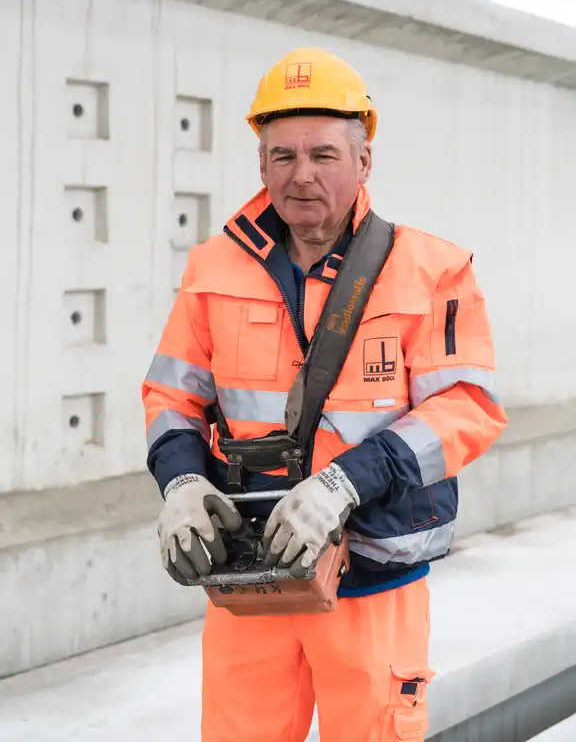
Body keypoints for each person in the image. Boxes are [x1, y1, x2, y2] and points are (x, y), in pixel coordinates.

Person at [142, 47, 508, 742]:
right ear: (261, 166)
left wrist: (344, 483)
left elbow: (466, 407)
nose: (301, 174)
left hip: (370, 581)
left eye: (323, 154)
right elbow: (171, 394)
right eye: (282, 156)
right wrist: (182, 482)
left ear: (364, 161)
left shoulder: (431, 270)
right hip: (247, 581)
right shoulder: (212, 267)